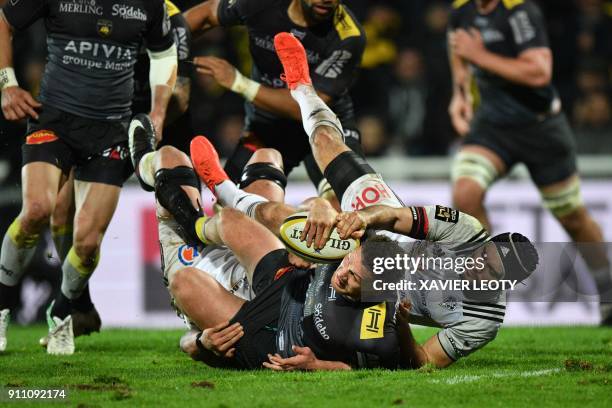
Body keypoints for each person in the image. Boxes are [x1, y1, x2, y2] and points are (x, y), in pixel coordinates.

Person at [180, 32, 539, 370]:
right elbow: (400, 217)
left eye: (491, 274)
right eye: (484, 259)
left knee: (295, 231)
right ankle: (303, 90)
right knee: (325, 149)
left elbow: (424, 361)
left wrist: (399, 324)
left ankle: (227, 197)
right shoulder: (468, 233)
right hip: (387, 243)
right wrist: (366, 220)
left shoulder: (485, 321)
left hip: (376, 298)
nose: (478, 269)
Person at [0, 0, 178, 355]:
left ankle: (63, 313)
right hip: (54, 120)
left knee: (86, 242)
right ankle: (1, 306)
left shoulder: (148, 4)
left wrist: (158, 110)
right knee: (36, 209)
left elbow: (164, 53)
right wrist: (7, 83)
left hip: (112, 132)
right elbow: (3, 21)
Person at [447, 0, 612, 325]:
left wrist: (479, 56)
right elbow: (457, 49)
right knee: (465, 195)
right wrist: (460, 93)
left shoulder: (521, 11)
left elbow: (539, 71)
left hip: (540, 129)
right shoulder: (461, 10)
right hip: (492, 128)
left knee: (572, 217)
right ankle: (488, 294)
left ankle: (608, 291)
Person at [179, 0, 366, 206]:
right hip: (270, 124)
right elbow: (205, 16)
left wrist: (239, 83)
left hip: (325, 124)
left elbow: (303, 106)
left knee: (350, 204)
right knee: (230, 209)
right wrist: (163, 55)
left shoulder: (349, 36)